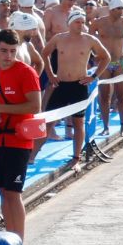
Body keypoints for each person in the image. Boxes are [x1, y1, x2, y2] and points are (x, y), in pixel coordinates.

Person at [0, 28, 44, 238]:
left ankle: (19, 244)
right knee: (3, 193)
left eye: (13, 51)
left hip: (18, 142)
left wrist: (0, 109)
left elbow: (35, 106)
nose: (8, 56)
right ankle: (11, 239)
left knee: (14, 194)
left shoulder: (26, 72)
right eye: (4, 51)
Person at [46, 10, 112, 164]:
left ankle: (76, 157)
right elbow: (44, 54)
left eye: (83, 22)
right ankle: (31, 156)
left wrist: (94, 76)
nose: (81, 25)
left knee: (79, 123)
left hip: (79, 86)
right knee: (48, 121)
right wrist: (50, 75)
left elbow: (106, 57)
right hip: (61, 85)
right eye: (78, 22)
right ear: (70, 23)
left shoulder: (90, 40)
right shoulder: (58, 38)